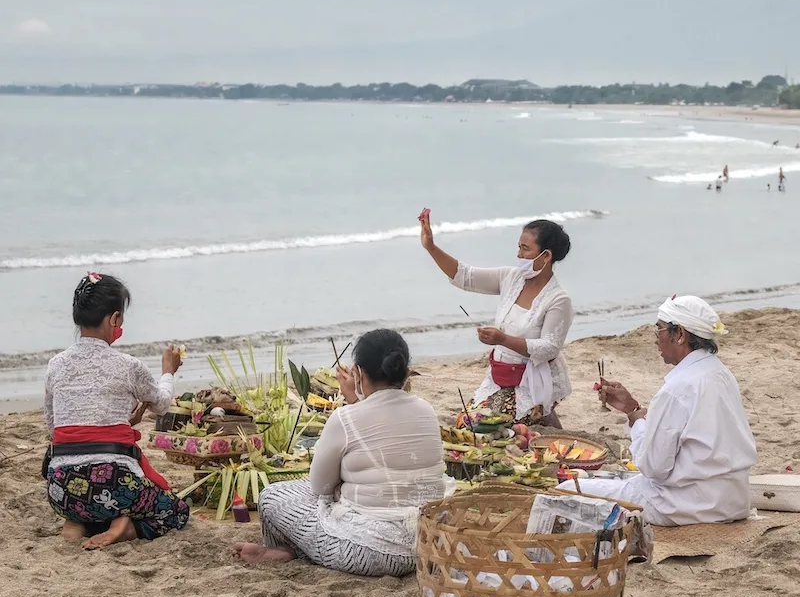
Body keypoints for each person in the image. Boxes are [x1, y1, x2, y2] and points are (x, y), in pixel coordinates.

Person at [233, 329, 451, 576]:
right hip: (428, 544)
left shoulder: (346, 418)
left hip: (372, 553)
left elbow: (319, 487)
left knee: (272, 496)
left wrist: (340, 486)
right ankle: (294, 553)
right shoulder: (427, 410)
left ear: (357, 373)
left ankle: (288, 550)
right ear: (405, 370)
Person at [559, 295, 757, 526]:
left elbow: (654, 467)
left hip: (687, 506)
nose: (656, 340)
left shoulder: (677, 388)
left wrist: (638, 421)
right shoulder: (721, 374)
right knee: (618, 482)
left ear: (680, 334)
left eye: (659, 330)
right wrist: (634, 411)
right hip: (732, 500)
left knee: (566, 489)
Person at [44, 272, 189, 549]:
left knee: (90, 499)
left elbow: (55, 428)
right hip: (114, 484)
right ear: (114, 319)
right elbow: (160, 404)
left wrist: (121, 420)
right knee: (176, 511)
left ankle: (77, 519)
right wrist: (168, 372)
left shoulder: (56, 365)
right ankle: (126, 529)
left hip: (61, 489)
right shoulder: (127, 365)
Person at [420, 212, 573, 427]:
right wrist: (431, 247)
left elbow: (549, 348)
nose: (519, 254)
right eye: (518, 247)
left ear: (546, 256)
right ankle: (543, 418)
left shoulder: (558, 299)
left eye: (525, 249)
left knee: (485, 428)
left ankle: (542, 411)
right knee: (467, 424)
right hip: (499, 376)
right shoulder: (510, 278)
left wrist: (502, 339)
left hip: (531, 380)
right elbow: (465, 276)